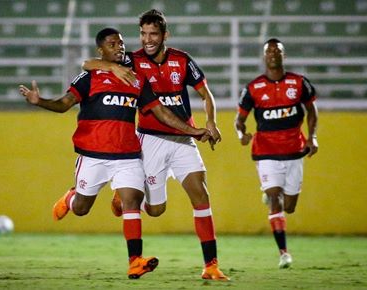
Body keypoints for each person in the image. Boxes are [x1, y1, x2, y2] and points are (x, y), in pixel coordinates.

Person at [19, 27, 210, 279]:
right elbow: (64, 104)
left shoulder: (136, 80)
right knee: (81, 208)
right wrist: (39, 101)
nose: (119, 47)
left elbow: (161, 112)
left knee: (131, 202)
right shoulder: (89, 77)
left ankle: (135, 261)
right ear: (102, 50)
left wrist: (192, 131)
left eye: (121, 43)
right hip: (93, 155)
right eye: (112, 44)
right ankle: (71, 197)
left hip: (127, 155)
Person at [81, 9, 230, 281]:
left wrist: (211, 121)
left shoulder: (182, 60)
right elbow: (88, 64)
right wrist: (113, 66)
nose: (147, 39)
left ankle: (211, 266)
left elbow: (205, 93)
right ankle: (122, 196)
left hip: (185, 140)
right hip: (150, 141)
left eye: (153, 34)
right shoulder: (131, 59)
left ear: (164, 35)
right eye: (143, 34)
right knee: (155, 210)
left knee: (201, 194)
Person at [235, 38, 319, 269]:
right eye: (268, 51)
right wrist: (241, 134)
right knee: (275, 198)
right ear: (264, 57)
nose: (273, 54)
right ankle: (284, 253)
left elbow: (312, 111)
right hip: (266, 152)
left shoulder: (299, 83)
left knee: (289, 206)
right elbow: (239, 120)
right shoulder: (252, 88)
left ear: (283, 55)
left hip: (294, 152)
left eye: (277, 50)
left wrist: (312, 137)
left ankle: (274, 197)